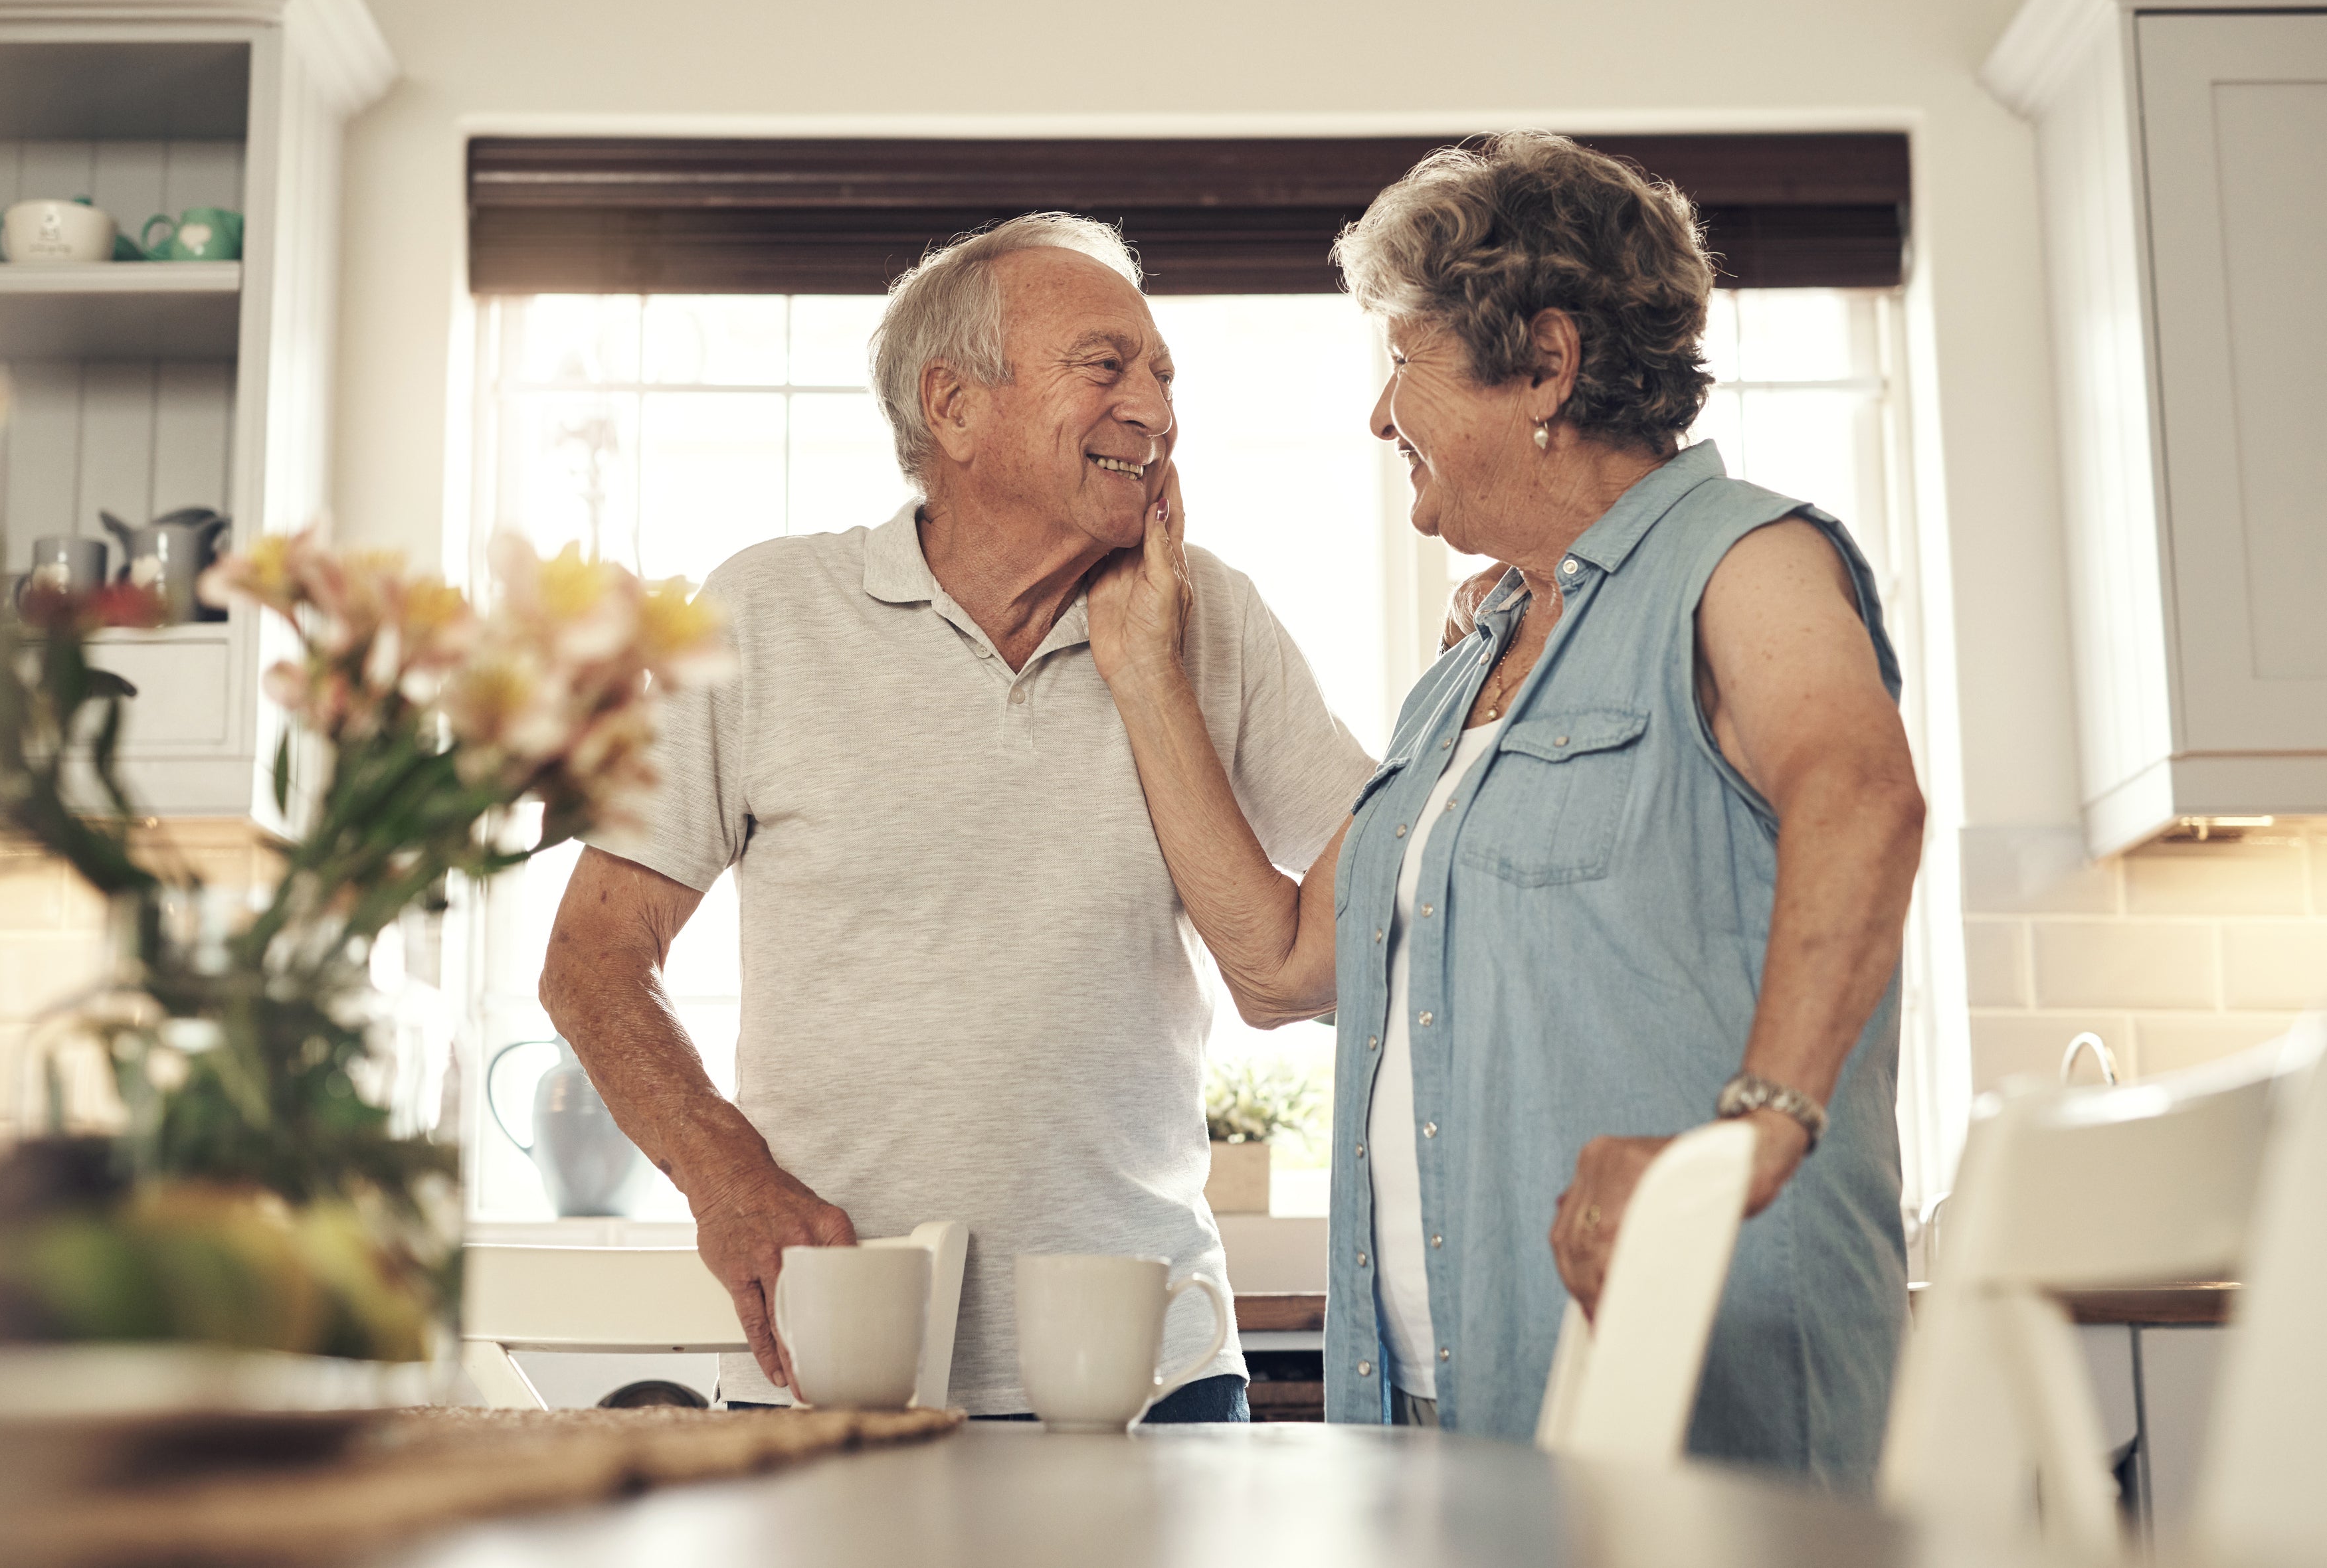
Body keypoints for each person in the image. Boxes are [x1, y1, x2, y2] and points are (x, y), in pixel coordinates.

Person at [1085, 134, 1924, 1487]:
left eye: (1402, 364)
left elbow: (1862, 793)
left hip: (1697, 1404)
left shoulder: (1743, 560)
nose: (1377, 416)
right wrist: (1144, 673)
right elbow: (1283, 965)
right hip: (1445, 1407)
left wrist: (1756, 1123)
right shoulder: (1464, 676)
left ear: (1545, 363)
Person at [538, 213, 1374, 1418]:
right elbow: (592, 959)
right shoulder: (768, 612)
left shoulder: (1213, 615)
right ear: (955, 405)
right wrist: (728, 1179)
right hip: (843, 1365)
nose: (1155, 407)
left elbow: (1368, 898)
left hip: (1150, 1364)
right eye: (1107, 366)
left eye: (1163, 376)